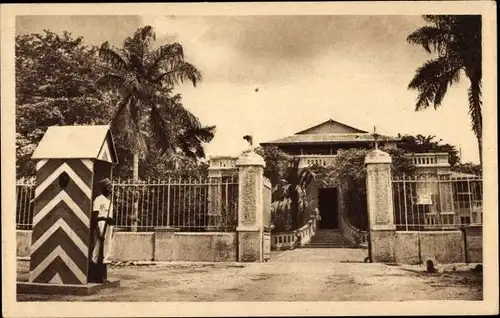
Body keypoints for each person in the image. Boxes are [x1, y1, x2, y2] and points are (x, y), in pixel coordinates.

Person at [91, 178, 114, 265]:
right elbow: (94, 216)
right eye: (108, 187)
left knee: (107, 245)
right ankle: (94, 262)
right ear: (104, 188)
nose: (110, 189)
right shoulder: (98, 199)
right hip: (101, 224)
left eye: (111, 187)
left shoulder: (109, 201)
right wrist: (97, 231)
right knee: (98, 245)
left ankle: (104, 261)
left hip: (108, 225)